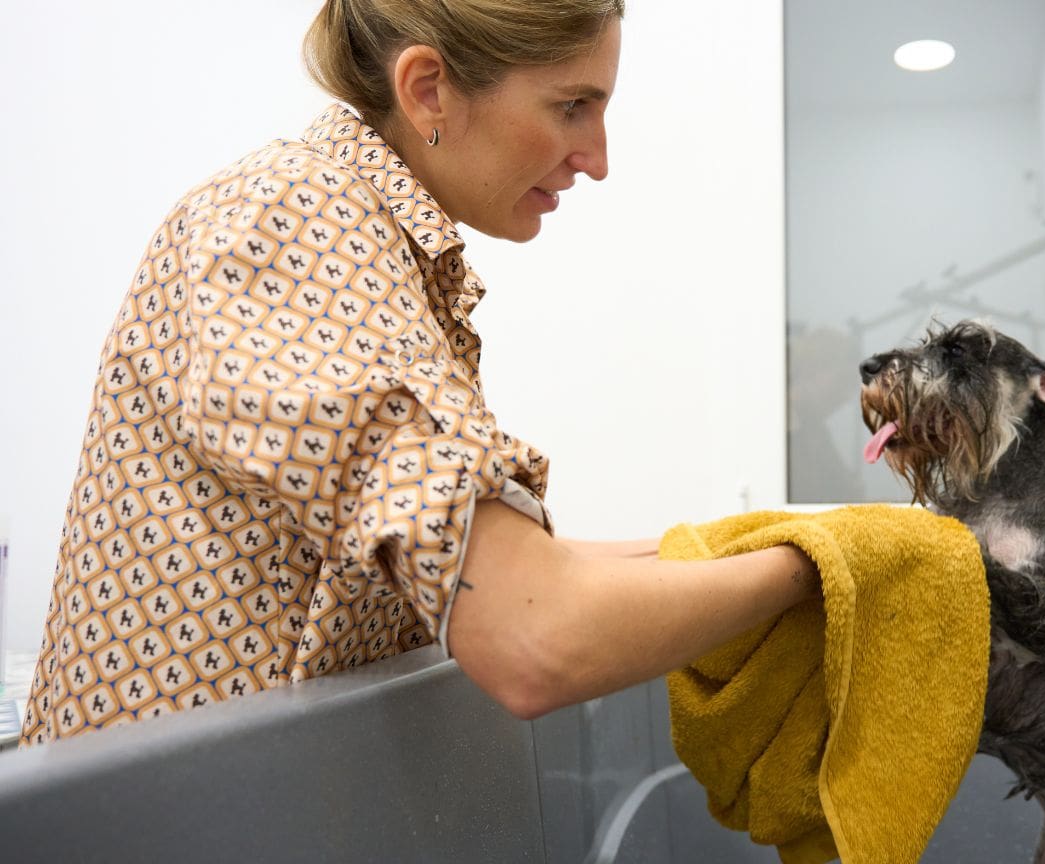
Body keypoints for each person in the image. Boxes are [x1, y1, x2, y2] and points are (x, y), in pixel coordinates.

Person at [21, 0, 818, 744]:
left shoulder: (372, 242)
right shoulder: (286, 222)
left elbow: (521, 567)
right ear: (428, 90)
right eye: (572, 106)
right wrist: (817, 569)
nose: (597, 159)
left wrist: (782, 538)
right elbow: (535, 631)